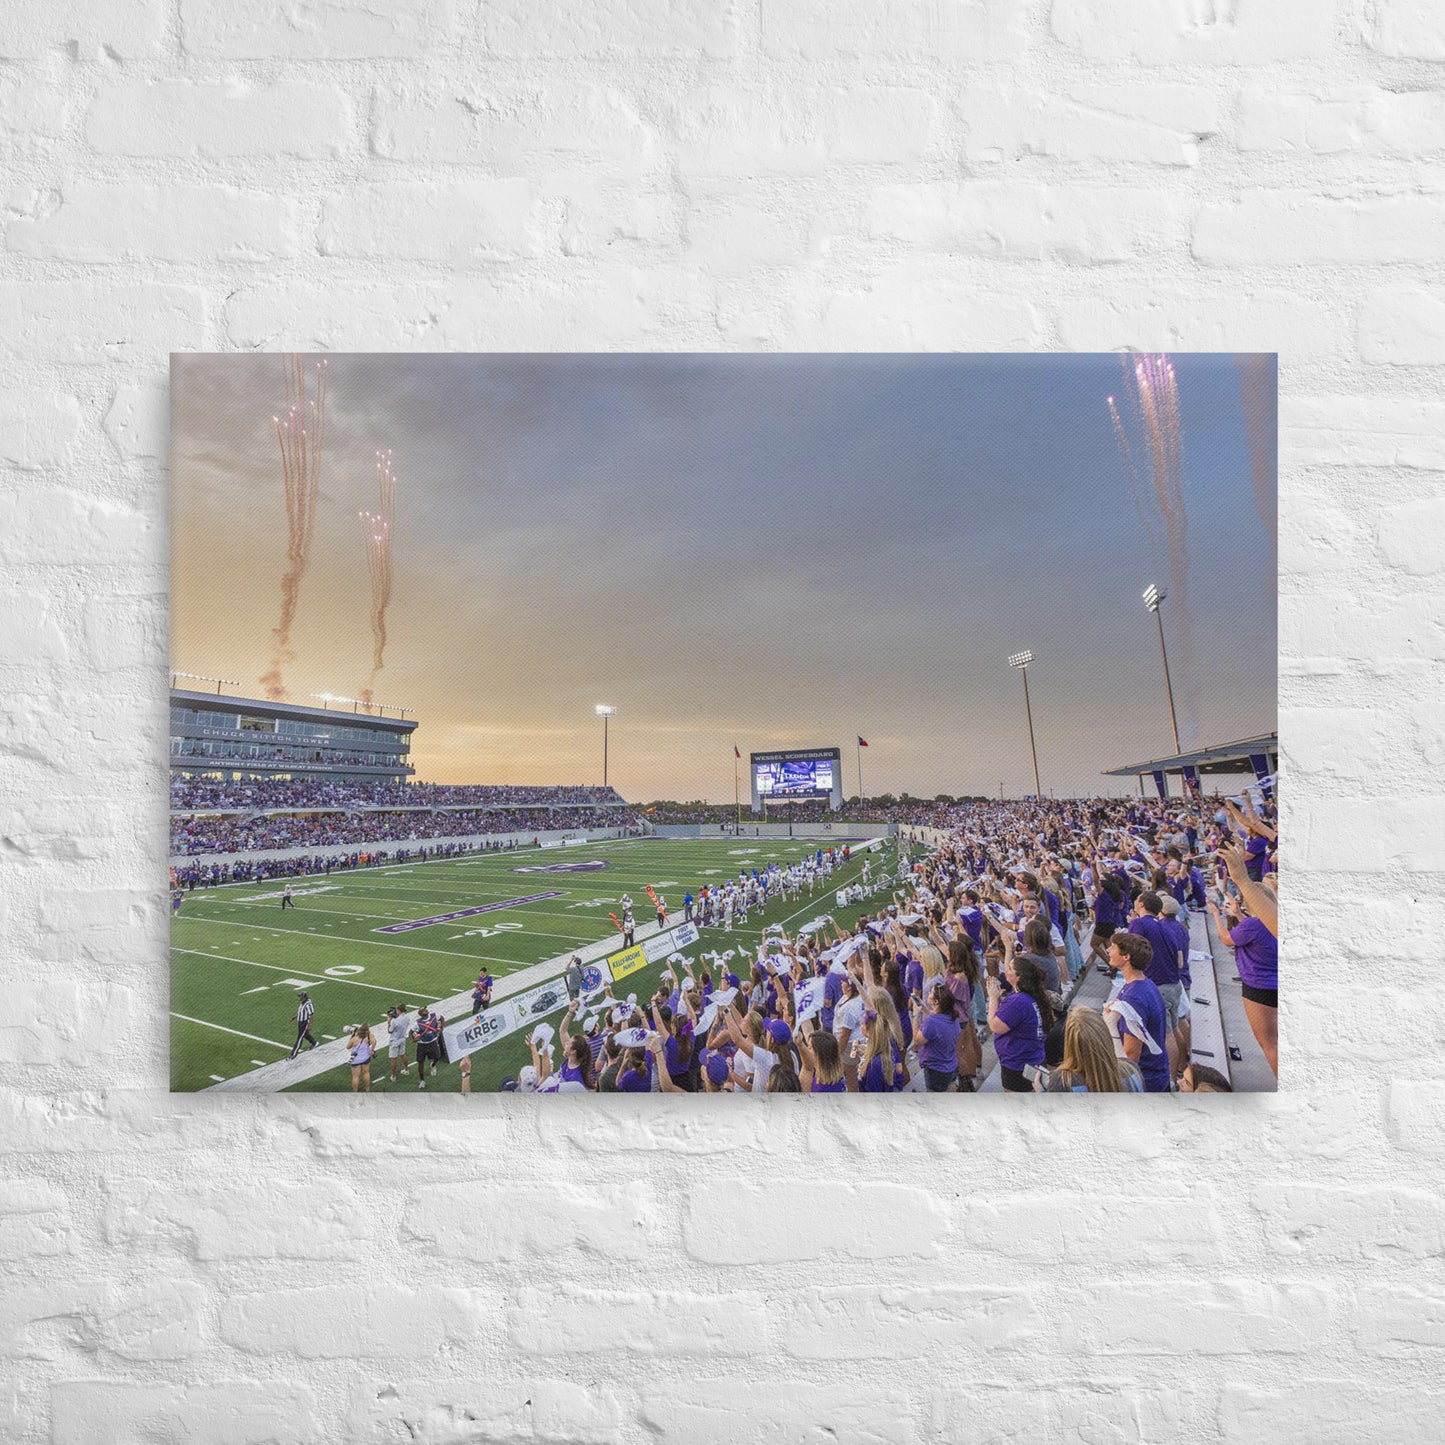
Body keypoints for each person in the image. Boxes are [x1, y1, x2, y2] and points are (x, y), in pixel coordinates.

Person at [1208, 891, 1278, 1078]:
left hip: (1259, 986)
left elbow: (1226, 940)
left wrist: (1216, 914)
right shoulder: (1272, 920)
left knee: (1269, 1042)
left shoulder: (1252, 924)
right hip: (1273, 982)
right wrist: (1238, 915)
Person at [1103, 933, 1170, 1093]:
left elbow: (1131, 1055)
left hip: (1145, 1081)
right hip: (1156, 1075)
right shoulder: (1144, 984)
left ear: (1126, 956)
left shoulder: (1133, 998)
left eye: (1113, 947)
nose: (1107, 950)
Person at [986, 952, 1049, 1093]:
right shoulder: (1027, 994)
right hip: (1032, 1059)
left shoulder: (1018, 1001)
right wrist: (1008, 948)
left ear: (1018, 977)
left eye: (1009, 969)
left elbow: (994, 1026)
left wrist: (993, 998)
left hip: (1018, 1065)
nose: (1006, 971)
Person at [1045, 1007, 1143, 1092]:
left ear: (1070, 1044)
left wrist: (1041, 1091)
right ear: (1105, 1036)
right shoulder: (1132, 1070)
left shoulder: (1063, 1081)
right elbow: (1123, 1060)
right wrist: (1111, 1024)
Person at [913, 978, 961, 1092]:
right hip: (951, 1064)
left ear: (936, 1002)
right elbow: (938, 1024)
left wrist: (915, 1015)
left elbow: (917, 1041)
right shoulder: (952, 1015)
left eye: (930, 993)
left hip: (936, 1070)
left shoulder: (931, 1022)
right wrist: (925, 1010)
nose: (928, 994)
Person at [411, 1006, 443, 1089]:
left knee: (437, 1057)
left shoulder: (434, 1016)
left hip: (433, 1042)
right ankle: (422, 1080)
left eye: (424, 1010)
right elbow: (410, 1032)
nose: (424, 1012)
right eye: (422, 1011)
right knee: (420, 1062)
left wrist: (441, 1027)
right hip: (422, 1044)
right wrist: (414, 1039)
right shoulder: (417, 1023)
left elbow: (442, 1018)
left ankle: (433, 1065)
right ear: (420, 1014)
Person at [347, 1023, 374, 1093]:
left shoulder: (355, 1039)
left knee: (355, 1076)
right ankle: (367, 1089)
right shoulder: (368, 1036)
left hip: (356, 1060)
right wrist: (372, 1050)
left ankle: (355, 1092)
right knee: (366, 1073)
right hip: (366, 1058)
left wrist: (352, 1036)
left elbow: (348, 1047)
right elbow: (374, 1041)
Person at [386, 1004, 410, 1081]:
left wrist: (388, 1022)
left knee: (393, 1058)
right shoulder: (407, 1017)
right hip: (402, 1038)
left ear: (399, 1010)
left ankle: (393, 1076)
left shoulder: (394, 1021)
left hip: (394, 1041)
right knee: (403, 1054)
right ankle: (406, 1070)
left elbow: (389, 1031)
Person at [289, 991, 317, 1057]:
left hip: (304, 1022)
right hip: (300, 1022)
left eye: (301, 997)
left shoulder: (308, 1004)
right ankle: (314, 1042)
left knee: (300, 1038)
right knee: (305, 1034)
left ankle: (293, 1054)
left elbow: (311, 1015)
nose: (300, 998)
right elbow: (300, 1012)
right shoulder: (302, 1003)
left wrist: (310, 1025)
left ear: (305, 997)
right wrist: (294, 1018)